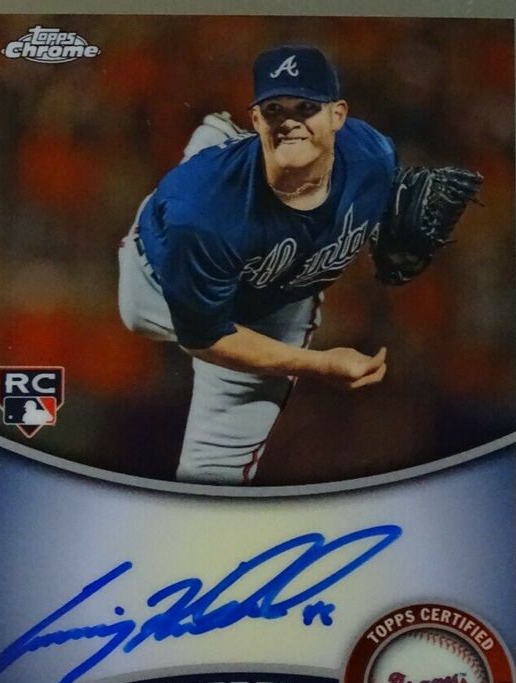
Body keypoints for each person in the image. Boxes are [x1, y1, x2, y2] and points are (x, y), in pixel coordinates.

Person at [118, 45, 397, 486]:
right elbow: (206, 337)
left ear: (338, 115)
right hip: (159, 282)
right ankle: (211, 149)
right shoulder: (200, 214)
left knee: (213, 480)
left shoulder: (375, 158)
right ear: (256, 119)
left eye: (306, 107)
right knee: (139, 309)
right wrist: (318, 363)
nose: (289, 121)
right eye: (274, 110)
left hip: (277, 296)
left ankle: (215, 143)